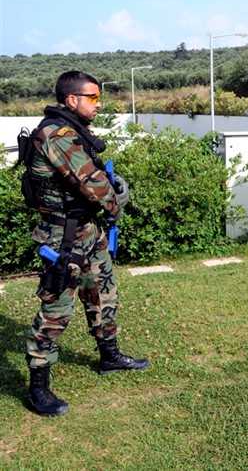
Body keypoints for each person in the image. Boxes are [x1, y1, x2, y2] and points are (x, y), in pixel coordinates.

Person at [23, 71, 149, 417]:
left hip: (87, 232)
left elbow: (95, 178)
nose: (98, 104)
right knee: (56, 311)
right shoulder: (56, 134)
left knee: (103, 293)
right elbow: (93, 185)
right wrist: (115, 198)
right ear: (72, 100)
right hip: (63, 238)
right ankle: (38, 387)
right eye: (92, 98)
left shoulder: (74, 130)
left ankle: (109, 356)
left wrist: (110, 190)